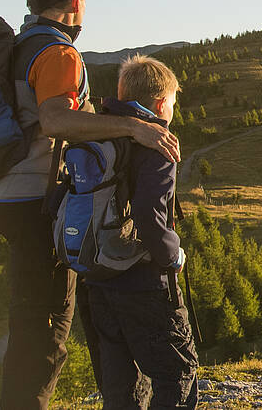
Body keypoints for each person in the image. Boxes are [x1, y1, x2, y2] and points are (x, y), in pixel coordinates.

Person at [0, 0, 181, 410]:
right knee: (47, 331)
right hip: (37, 199)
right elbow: (56, 119)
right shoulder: (57, 51)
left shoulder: (19, 47)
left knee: (31, 322)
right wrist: (134, 128)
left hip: (7, 195)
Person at [87, 55, 198, 409]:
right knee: (177, 374)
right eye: (173, 103)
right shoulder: (157, 143)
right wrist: (173, 256)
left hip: (99, 276)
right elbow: (151, 217)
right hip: (144, 281)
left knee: (120, 385)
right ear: (161, 102)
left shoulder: (95, 131)